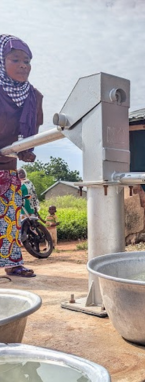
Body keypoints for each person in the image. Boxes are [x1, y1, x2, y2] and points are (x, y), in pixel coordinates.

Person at [0, 35, 43, 278]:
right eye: (15, 59)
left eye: (27, 60)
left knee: (8, 214)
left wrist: (27, 149)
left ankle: (12, 263)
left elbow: (28, 132)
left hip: (6, 164)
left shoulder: (32, 96)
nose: (23, 65)